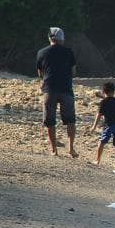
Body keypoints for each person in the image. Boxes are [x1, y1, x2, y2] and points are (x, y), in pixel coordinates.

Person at [36, 26, 78, 157]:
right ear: (62, 39)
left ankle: (54, 150)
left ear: (50, 38)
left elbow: (40, 73)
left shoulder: (41, 52)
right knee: (70, 120)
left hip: (49, 89)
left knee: (50, 120)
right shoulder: (69, 52)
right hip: (66, 89)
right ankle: (71, 149)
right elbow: (73, 72)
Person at [89, 82, 115, 169]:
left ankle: (97, 160)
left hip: (109, 125)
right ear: (114, 91)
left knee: (102, 142)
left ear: (103, 92)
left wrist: (94, 126)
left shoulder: (104, 102)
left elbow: (99, 115)